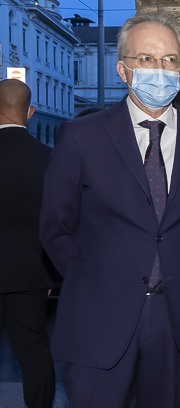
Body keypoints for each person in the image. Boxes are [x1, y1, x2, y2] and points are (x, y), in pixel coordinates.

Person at [39, 12, 180, 407]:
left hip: (175, 321)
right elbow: (56, 228)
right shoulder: (81, 136)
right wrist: (99, 278)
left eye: (170, 60)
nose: (160, 70)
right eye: (146, 59)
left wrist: (173, 272)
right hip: (97, 318)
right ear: (123, 70)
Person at [0, 79, 55, 408]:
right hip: (32, 274)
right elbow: (58, 222)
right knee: (34, 353)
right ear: (30, 112)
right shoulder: (49, 159)